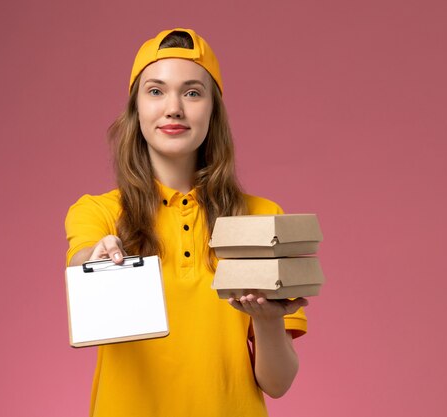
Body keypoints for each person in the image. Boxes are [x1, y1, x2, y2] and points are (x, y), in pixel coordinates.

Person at [65, 28, 308, 417]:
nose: (173, 107)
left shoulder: (263, 217)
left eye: (192, 92)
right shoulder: (99, 212)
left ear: (213, 109)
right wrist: (94, 259)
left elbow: (277, 384)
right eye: (156, 91)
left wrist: (267, 321)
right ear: (136, 109)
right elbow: (81, 256)